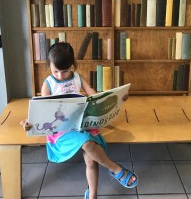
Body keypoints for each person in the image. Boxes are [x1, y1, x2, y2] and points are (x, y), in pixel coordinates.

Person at [21, 42, 138, 199]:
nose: (60, 76)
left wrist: (117, 99)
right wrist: (30, 122)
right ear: (49, 65)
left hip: (81, 124)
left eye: (65, 71)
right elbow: (43, 110)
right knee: (88, 143)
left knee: (91, 161)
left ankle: (93, 196)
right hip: (61, 129)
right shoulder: (48, 83)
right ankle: (116, 169)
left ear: (72, 66)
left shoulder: (77, 78)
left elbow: (96, 98)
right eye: (55, 71)